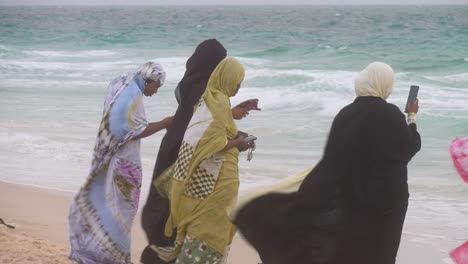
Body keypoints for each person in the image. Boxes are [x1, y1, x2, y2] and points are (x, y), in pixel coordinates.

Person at [234, 62, 421, 264]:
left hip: (351, 201)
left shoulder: (346, 113)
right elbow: (409, 147)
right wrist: (412, 115)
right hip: (385, 205)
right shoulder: (390, 113)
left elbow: (333, 159)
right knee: (380, 254)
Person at [140, 40, 259, 264]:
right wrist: (237, 140)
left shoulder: (193, 85)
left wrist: (234, 112)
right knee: (182, 219)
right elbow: (208, 129)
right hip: (184, 159)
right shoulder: (205, 91)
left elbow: (205, 121)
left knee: (169, 213)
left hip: (173, 150)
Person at [68, 61, 173, 264]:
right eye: (157, 86)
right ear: (148, 80)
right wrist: (165, 123)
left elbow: (125, 129)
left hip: (115, 160)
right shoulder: (131, 95)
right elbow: (131, 132)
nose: (156, 91)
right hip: (121, 164)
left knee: (111, 208)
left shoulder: (124, 87)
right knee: (120, 211)